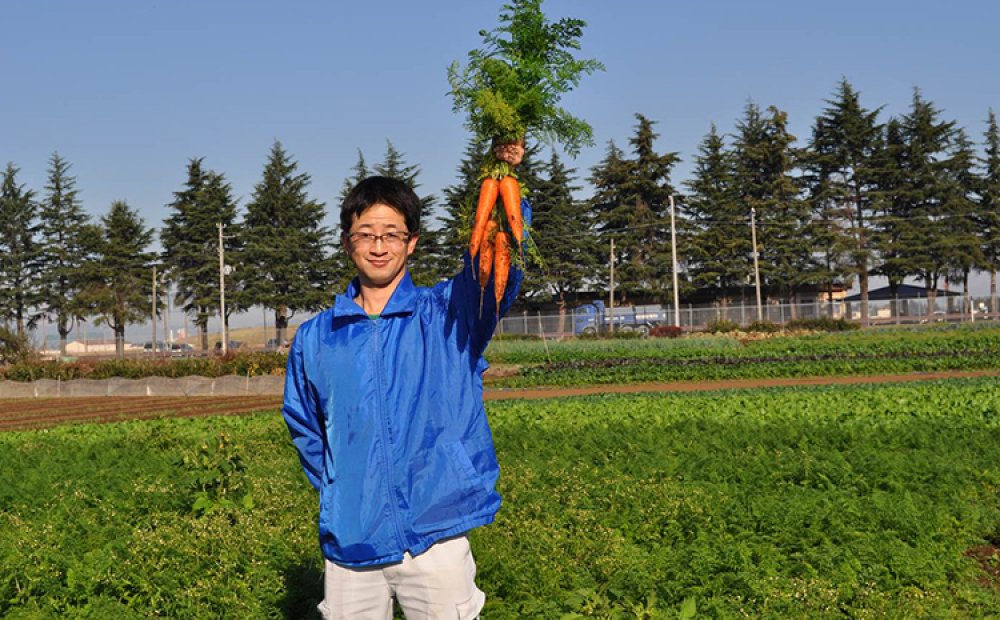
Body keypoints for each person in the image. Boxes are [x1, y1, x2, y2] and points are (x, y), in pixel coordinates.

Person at [282, 175, 530, 619]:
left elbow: (497, 269)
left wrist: (503, 179)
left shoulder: (450, 314)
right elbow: (305, 427)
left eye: (392, 234)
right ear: (346, 242)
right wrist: (344, 488)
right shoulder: (316, 337)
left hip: (436, 534)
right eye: (366, 234)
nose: (379, 246)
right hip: (353, 541)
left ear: (411, 242)